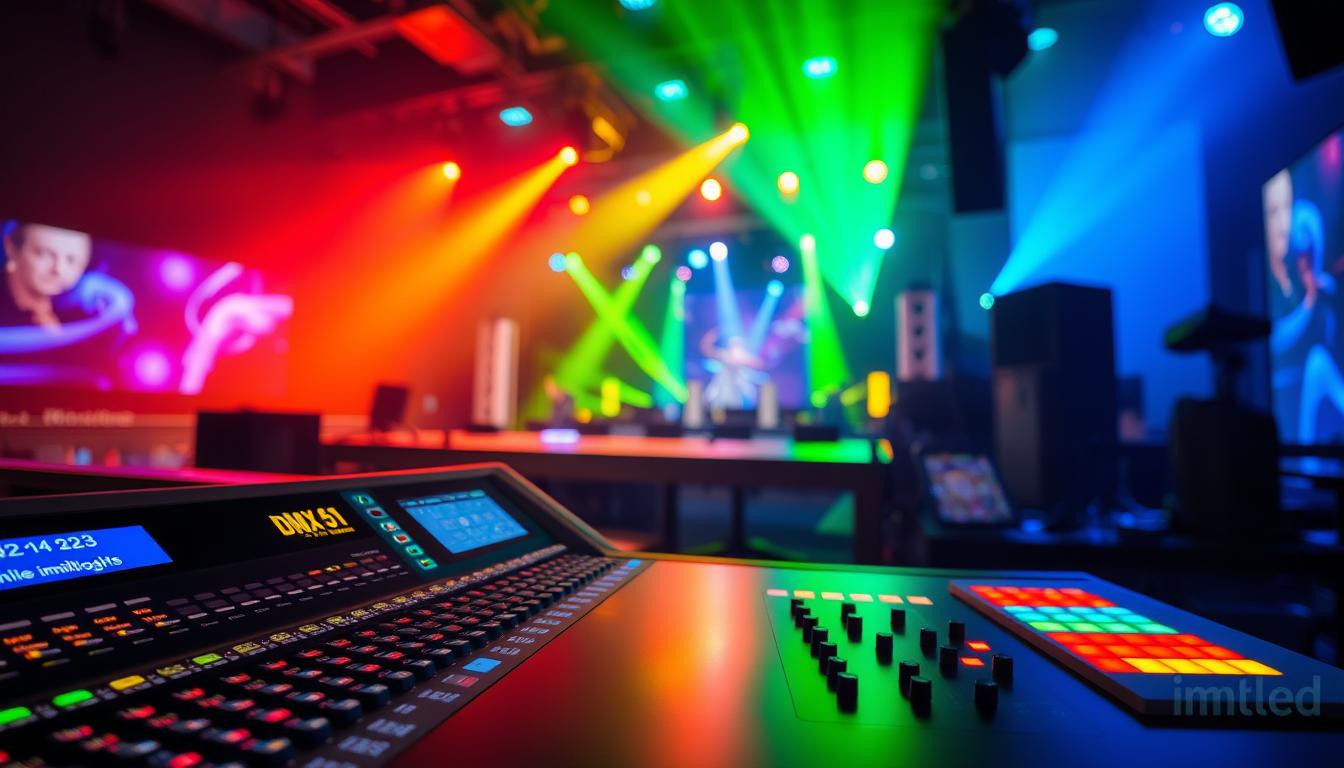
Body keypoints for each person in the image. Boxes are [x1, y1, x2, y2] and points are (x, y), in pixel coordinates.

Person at [1, 221, 93, 329]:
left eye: (71, 260)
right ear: (11, 248)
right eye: (44, 253)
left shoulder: (80, 313)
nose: (58, 269)